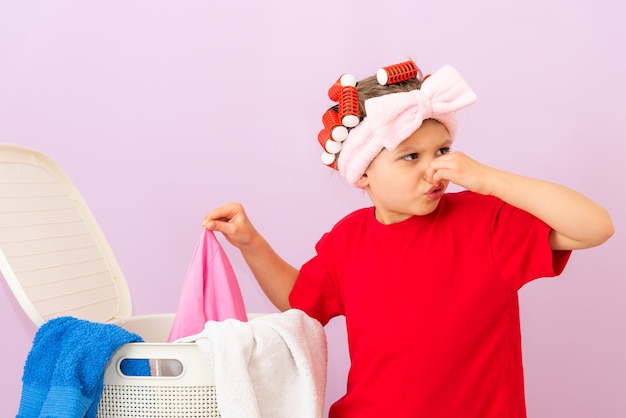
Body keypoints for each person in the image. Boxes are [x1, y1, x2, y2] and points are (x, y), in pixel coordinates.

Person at [202, 60, 614, 418]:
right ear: (362, 173)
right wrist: (250, 242)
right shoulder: (348, 240)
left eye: (442, 150)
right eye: (410, 156)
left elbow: (595, 227)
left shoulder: (486, 221)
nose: (436, 169)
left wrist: (489, 180)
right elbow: (299, 300)